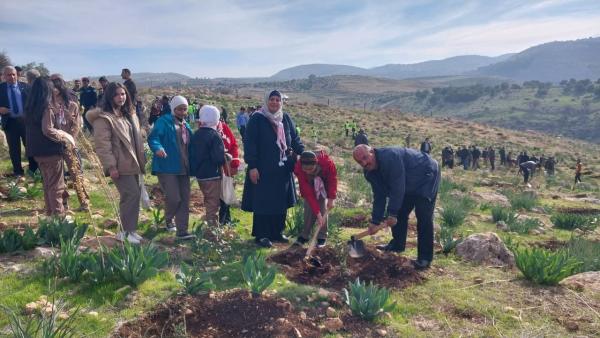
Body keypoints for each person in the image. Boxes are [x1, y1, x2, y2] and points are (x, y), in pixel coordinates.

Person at [353, 144, 439, 270]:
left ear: (372, 151)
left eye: (365, 158)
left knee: (423, 215)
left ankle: (425, 258)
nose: (364, 163)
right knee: (399, 212)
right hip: (408, 181)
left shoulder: (390, 157)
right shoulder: (369, 173)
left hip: (426, 174)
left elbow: (397, 187)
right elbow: (379, 195)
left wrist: (392, 214)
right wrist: (375, 221)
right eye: (360, 162)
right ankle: (397, 245)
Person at [241, 90, 304, 248]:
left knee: (280, 200)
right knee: (263, 201)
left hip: (283, 168)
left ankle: (277, 232)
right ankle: (262, 235)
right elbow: (250, 143)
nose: (275, 102)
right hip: (263, 167)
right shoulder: (257, 119)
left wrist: (304, 154)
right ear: (266, 101)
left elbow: (294, 139)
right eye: (272, 99)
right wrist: (253, 166)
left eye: (278, 100)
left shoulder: (285, 118)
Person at [88, 82, 146, 244]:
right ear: (110, 97)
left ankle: (131, 230)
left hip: (133, 163)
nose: (121, 97)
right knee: (131, 195)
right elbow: (102, 145)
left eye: (123, 94)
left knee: (134, 196)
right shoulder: (104, 118)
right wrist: (111, 166)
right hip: (120, 164)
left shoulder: (127, 114)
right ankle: (125, 232)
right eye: (117, 95)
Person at [25, 78, 74, 216]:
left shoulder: (30, 107)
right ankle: (58, 217)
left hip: (37, 152)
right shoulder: (46, 107)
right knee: (56, 186)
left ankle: (50, 214)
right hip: (50, 151)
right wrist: (64, 137)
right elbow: (47, 129)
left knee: (48, 185)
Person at [147, 95, 194, 239]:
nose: (182, 112)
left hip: (184, 167)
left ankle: (182, 231)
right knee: (174, 198)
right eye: (179, 109)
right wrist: (158, 148)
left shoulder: (186, 125)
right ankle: (168, 219)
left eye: (184, 109)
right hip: (167, 166)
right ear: (173, 108)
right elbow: (153, 137)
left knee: (184, 199)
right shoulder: (164, 122)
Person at [49, 76, 89, 211]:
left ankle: (84, 201)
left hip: (69, 144)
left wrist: (69, 138)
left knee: (75, 172)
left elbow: (76, 125)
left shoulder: (72, 106)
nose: (53, 90)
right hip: (53, 145)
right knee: (58, 175)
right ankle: (63, 202)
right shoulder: (47, 106)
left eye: (56, 86)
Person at [293, 150, 337, 247]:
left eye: (311, 170)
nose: (308, 172)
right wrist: (317, 214)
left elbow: (332, 181)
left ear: (316, 164)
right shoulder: (300, 169)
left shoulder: (327, 164)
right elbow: (308, 194)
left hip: (323, 185)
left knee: (323, 209)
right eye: (306, 170)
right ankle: (305, 235)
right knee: (309, 209)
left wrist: (331, 198)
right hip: (309, 186)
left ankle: (322, 237)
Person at [190, 105, 225, 226]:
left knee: (207, 198)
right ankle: (212, 229)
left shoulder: (196, 134)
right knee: (213, 203)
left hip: (200, 174)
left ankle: (210, 225)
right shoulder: (214, 135)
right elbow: (218, 158)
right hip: (212, 174)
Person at [0, 66, 38, 176]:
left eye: (13, 74)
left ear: (17, 75)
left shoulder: (26, 87)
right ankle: (18, 172)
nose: (11, 77)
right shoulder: (1, 88)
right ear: (4, 76)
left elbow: (34, 104)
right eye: (8, 75)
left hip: (26, 122)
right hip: (10, 123)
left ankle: (33, 170)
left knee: (30, 146)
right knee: (14, 149)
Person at [217, 118, 240, 225]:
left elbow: (234, 144)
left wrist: (235, 160)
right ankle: (221, 221)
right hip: (213, 168)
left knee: (226, 193)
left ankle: (226, 219)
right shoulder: (205, 129)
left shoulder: (224, 128)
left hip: (226, 166)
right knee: (218, 195)